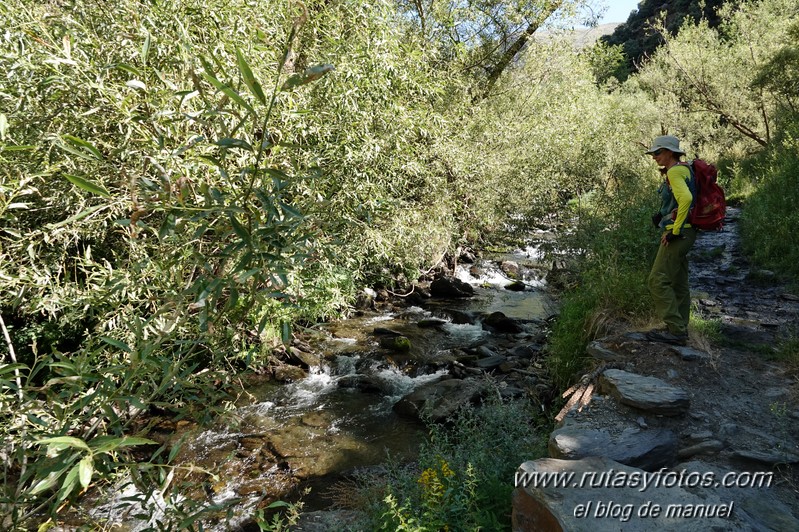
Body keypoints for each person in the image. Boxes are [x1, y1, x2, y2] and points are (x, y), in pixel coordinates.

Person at [645, 135, 697, 345]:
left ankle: (675, 330)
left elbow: (686, 199)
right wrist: (662, 215)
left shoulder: (675, 171)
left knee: (657, 281)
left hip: (680, 234)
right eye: (653, 153)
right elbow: (680, 200)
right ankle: (680, 326)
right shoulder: (685, 169)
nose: (654, 157)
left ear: (669, 152)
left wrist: (674, 230)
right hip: (689, 232)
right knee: (678, 282)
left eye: (658, 153)